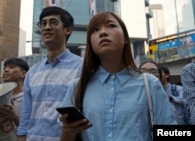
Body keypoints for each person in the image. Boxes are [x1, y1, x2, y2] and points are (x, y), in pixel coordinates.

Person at [59, 12, 177, 141]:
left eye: (111, 26)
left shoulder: (150, 84)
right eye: (95, 30)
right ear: (90, 43)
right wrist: (67, 131)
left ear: (125, 38)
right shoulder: (77, 87)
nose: (103, 33)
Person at [16, 6, 83, 141]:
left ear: (68, 30)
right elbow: (26, 114)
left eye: (53, 22)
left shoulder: (82, 67)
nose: (47, 27)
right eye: (43, 23)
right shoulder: (32, 73)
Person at [0, 58, 29, 141]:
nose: (6, 70)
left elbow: (31, 127)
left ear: (23, 74)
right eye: (4, 68)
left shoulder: (28, 97)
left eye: (11, 67)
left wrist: (14, 117)